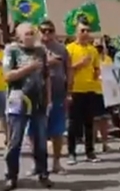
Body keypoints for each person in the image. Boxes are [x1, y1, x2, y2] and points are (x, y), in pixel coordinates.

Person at [3, 23, 52, 191]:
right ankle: (11, 176)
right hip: (18, 101)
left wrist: (49, 99)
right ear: (19, 36)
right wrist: (29, 68)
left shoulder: (41, 51)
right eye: (27, 34)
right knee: (15, 141)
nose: (31, 36)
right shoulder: (12, 50)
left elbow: (47, 77)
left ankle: (43, 173)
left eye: (33, 33)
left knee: (40, 141)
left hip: (38, 101)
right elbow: (8, 76)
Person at [66, 22, 101, 164]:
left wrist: (96, 73)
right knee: (73, 124)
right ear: (76, 33)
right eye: (82, 30)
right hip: (75, 90)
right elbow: (67, 69)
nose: (85, 33)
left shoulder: (93, 50)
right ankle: (71, 153)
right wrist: (80, 64)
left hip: (90, 90)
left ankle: (90, 152)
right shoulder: (69, 49)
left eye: (88, 30)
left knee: (89, 123)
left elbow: (96, 67)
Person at [38, 22, 70, 172]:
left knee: (57, 130)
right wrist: (47, 62)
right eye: (43, 30)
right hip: (36, 94)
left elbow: (69, 71)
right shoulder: (33, 48)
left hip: (58, 93)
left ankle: (56, 162)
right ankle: (37, 164)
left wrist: (69, 92)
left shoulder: (61, 49)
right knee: (35, 131)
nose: (47, 33)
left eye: (50, 30)